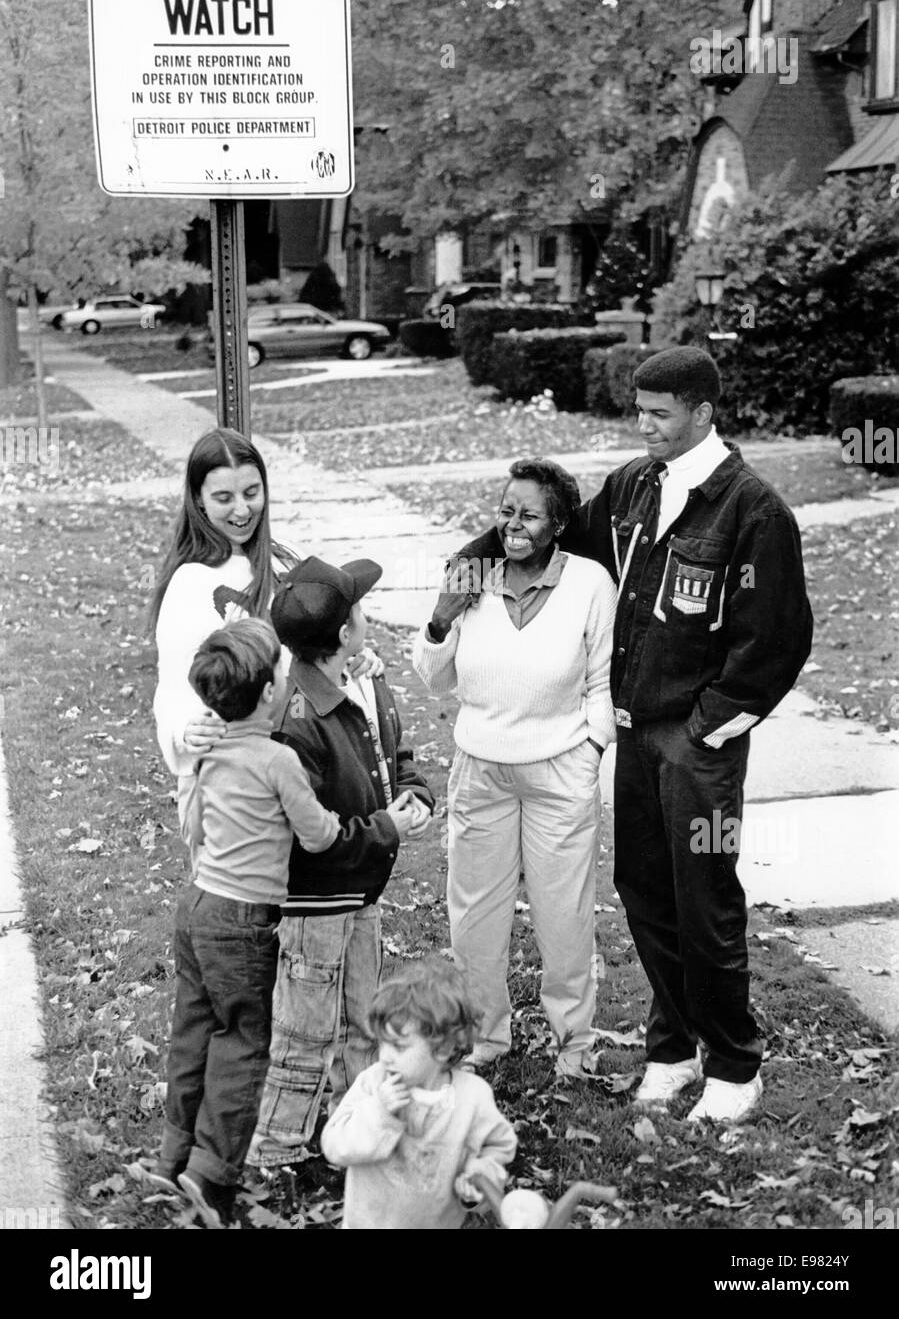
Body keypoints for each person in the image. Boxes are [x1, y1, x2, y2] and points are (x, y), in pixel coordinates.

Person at [455, 347, 813, 1122]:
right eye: (639, 411)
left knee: (704, 895)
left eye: (659, 414)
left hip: (698, 744)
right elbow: (543, 539)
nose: (642, 426)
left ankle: (733, 1062)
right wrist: (467, 569)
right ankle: (672, 1048)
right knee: (644, 891)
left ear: (702, 414)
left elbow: (776, 642)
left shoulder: (753, 511)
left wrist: (710, 726)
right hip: (632, 733)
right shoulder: (630, 489)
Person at [413, 459, 616, 1080]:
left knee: (564, 914)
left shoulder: (588, 582)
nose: (514, 524)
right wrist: (443, 615)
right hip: (482, 770)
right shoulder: (471, 577)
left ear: (559, 523)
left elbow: (603, 680)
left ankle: (574, 1042)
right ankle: (486, 1037)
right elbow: (432, 677)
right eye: (506, 511)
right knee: (474, 915)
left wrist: (590, 751)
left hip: (559, 771)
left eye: (529, 514)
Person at [247, 556, 435, 1167]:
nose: (366, 613)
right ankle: (276, 1150)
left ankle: (356, 1127)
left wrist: (415, 792)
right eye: (359, 607)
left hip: (362, 894)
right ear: (345, 633)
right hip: (314, 904)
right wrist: (387, 826)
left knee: (365, 1024)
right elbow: (306, 835)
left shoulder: (362, 681)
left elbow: (391, 754)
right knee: (305, 1036)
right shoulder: (297, 723)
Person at [152, 619, 341, 1227]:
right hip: (242, 922)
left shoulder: (209, 750)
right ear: (267, 695)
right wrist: (339, 824)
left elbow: (197, 829)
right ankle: (210, 1176)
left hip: (198, 907)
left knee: (194, 1031)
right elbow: (315, 835)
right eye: (283, 676)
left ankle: (170, 1157)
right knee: (241, 1043)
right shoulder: (278, 758)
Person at [149, 427, 381, 791]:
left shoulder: (287, 556)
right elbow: (174, 688)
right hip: (239, 779)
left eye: (251, 493)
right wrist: (184, 729)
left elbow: (325, 644)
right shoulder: (190, 583)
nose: (242, 510)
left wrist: (355, 658)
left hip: (309, 760)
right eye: (224, 497)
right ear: (198, 499)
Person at [321, 958, 517, 1230]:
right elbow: (334, 1144)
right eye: (382, 1043)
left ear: (445, 1047)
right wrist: (378, 1113)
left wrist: (479, 1177)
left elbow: (496, 1147)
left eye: (399, 1047)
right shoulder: (373, 1085)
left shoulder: (471, 1099)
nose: (385, 1056)